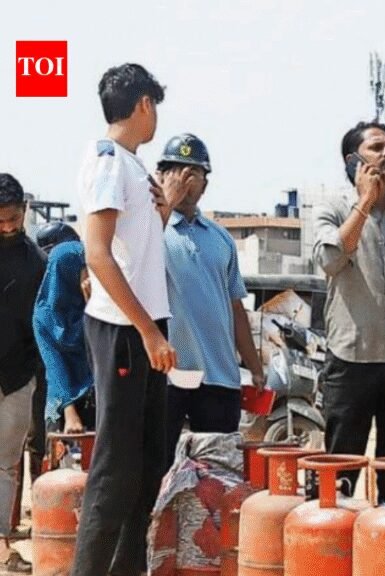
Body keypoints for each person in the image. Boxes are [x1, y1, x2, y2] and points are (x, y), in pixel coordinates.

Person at [73, 63, 198, 576]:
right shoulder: (108, 161)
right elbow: (98, 254)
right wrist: (147, 331)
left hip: (147, 325)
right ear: (144, 104)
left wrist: (164, 210)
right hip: (124, 329)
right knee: (115, 468)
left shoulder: (133, 167)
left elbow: (136, 247)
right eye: (155, 108)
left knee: (147, 464)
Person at [313, 121, 385, 502]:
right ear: (353, 161)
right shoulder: (332, 210)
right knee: (338, 478)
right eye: (377, 147)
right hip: (351, 360)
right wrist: (363, 202)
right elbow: (330, 260)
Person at [161, 133, 265, 468]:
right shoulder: (149, 231)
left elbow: (235, 307)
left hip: (218, 374)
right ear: (160, 176)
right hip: (167, 374)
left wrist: (255, 367)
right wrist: (165, 204)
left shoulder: (221, 239)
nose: (185, 180)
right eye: (176, 171)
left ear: (206, 183)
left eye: (194, 173)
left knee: (219, 473)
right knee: (158, 465)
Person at [0, 173, 47, 573]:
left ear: (25, 212)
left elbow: (43, 321)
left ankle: (0, 545)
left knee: (5, 464)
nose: (6, 227)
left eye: (12, 219)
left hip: (16, 377)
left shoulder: (37, 263)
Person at [33, 222, 95, 435]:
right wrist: (70, 414)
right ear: (64, 271)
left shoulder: (101, 307)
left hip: (99, 398)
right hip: (63, 406)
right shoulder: (43, 316)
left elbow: (104, 349)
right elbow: (55, 367)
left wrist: (92, 306)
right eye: (82, 268)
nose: (88, 275)